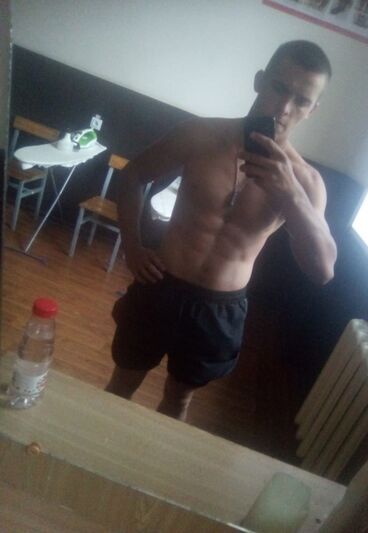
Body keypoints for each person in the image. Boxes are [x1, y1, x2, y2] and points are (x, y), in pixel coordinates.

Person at [105, 40, 337, 421]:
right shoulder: (200, 134)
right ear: (259, 81)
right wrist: (132, 246)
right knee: (121, 385)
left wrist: (290, 193)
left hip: (219, 308)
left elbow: (322, 270)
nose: (284, 108)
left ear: (313, 109)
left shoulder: (306, 183)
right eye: (279, 88)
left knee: (178, 402)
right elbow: (133, 176)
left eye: (301, 100)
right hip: (160, 284)